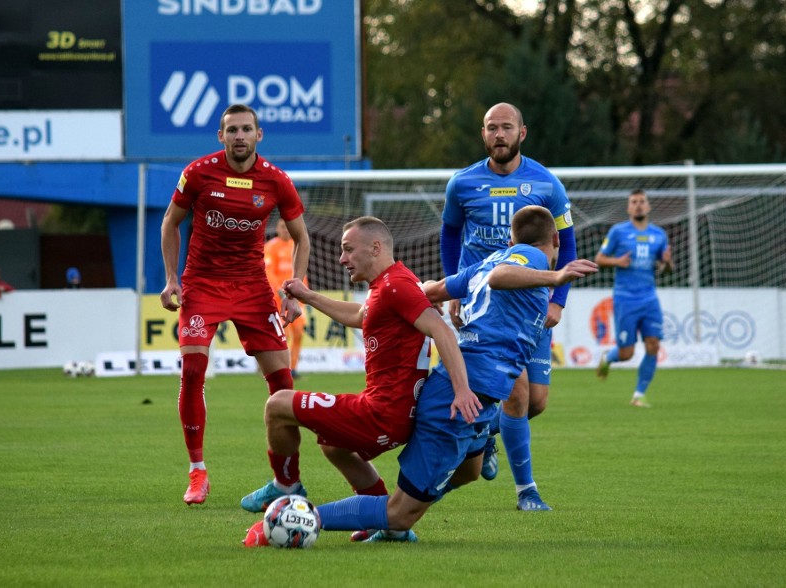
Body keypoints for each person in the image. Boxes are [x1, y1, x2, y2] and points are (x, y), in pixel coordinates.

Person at [304, 206, 598, 543]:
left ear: (509, 237)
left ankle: (473, 448)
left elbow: (435, 289)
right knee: (400, 514)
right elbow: (500, 277)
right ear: (555, 239)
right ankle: (300, 517)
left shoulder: (487, 261)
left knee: (470, 471)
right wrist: (556, 277)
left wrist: (425, 291)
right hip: (461, 394)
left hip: (477, 391)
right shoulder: (529, 256)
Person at [240, 216, 475, 532]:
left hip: (381, 413)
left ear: (375, 247)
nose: (342, 259)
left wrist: (462, 390)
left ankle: (286, 486)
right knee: (334, 445)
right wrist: (307, 296)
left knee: (278, 406)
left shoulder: (396, 287)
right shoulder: (390, 283)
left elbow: (441, 332)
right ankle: (387, 526)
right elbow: (360, 316)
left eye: (348, 250)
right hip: (393, 413)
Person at [160, 103, 310, 506]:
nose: (239, 136)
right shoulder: (198, 173)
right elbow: (170, 222)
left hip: (252, 288)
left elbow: (302, 237)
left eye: (246, 129)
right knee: (193, 369)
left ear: (259, 135)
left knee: (283, 383)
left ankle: (287, 480)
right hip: (202, 285)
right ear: (221, 136)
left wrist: (292, 290)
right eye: (232, 130)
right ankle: (197, 472)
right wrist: (172, 279)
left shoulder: (277, 181)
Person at [439, 102, 577, 511]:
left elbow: (565, 241)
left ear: (523, 132)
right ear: (483, 135)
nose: (499, 134)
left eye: (506, 127)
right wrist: (455, 294)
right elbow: (449, 238)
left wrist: (559, 300)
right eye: (491, 128)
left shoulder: (547, 183)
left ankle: (486, 435)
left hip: (533, 300)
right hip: (484, 303)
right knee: (516, 394)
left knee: (536, 402)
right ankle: (527, 492)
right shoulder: (462, 184)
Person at [595, 189, 673, 408]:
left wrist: (667, 262)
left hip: (649, 298)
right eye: (634, 202)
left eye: (642, 201)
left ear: (648, 207)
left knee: (653, 344)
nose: (638, 205)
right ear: (629, 208)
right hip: (625, 299)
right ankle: (608, 357)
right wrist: (617, 262)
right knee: (626, 353)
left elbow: (667, 269)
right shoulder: (618, 232)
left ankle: (639, 394)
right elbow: (599, 258)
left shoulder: (659, 235)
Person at [264, 218, 306, 379]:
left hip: (295, 298)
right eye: (282, 227)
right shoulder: (270, 247)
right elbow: (269, 273)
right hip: (278, 299)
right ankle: (278, 369)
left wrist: (304, 293)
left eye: (288, 227)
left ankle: (293, 368)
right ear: (277, 228)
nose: (286, 230)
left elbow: (302, 273)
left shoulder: (296, 246)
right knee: (284, 335)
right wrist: (281, 292)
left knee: (299, 333)